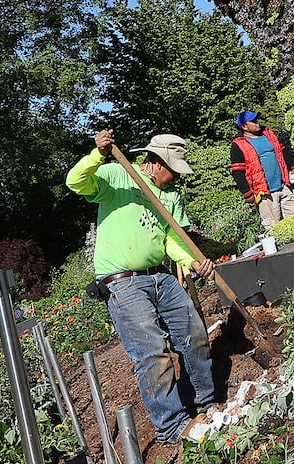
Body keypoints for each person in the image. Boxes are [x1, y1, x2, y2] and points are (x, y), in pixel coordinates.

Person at [66, 129, 216, 446]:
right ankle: (172, 425)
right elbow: (75, 182)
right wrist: (97, 154)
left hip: (159, 275)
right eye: (173, 168)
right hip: (122, 282)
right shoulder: (119, 175)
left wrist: (192, 262)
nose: (176, 175)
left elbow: (173, 239)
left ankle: (203, 405)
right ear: (157, 162)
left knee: (195, 334)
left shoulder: (171, 196)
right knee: (153, 353)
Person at [229, 111, 294, 233]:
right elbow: (237, 172)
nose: (257, 123)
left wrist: (293, 167)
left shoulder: (268, 134)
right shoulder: (238, 145)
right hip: (264, 193)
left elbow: (283, 152)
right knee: (274, 229)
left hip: (284, 185)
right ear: (244, 127)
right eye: (253, 121)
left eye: (257, 120)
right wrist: (247, 193)